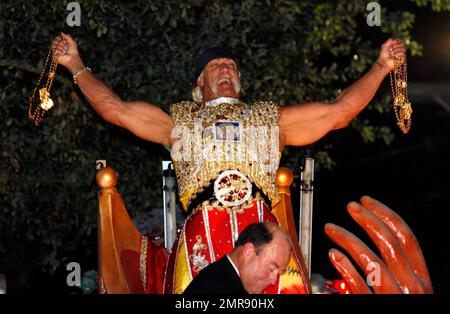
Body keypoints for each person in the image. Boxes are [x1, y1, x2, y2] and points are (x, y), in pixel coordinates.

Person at [52, 33, 432, 294]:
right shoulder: (177, 123)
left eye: (231, 65)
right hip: (203, 238)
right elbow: (114, 109)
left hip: (264, 239)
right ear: (199, 84)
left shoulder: (273, 122)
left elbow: (339, 113)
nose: (225, 69)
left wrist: (381, 67)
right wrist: (74, 63)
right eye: (215, 66)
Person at [183, 222, 291, 294]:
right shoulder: (212, 288)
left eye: (279, 273)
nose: (273, 280)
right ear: (248, 252)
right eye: (271, 269)